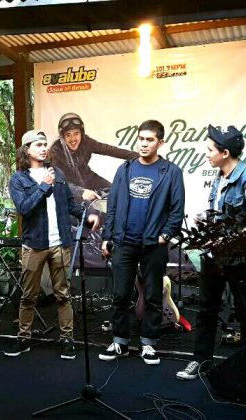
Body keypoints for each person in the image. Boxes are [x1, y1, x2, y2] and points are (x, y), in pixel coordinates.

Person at [176, 124, 246, 380]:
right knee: (206, 310)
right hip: (213, 257)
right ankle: (200, 361)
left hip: (239, 260)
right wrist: (205, 221)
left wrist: (230, 242)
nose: (206, 154)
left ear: (225, 153)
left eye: (210, 150)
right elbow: (222, 216)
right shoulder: (220, 176)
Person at [4, 129, 99, 360]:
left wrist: (86, 216)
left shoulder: (58, 173)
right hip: (34, 245)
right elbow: (24, 208)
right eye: (38, 144)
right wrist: (44, 186)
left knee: (63, 295)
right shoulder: (18, 179)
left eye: (45, 144)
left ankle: (67, 340)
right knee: (29, 296)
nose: (44, 148)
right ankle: (24, 339)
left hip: (60, 244)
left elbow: (69, 205)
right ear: (26, 150)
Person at [99, 120, 185, 365]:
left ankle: (148, 343)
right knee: (120, 295)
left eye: (150, 139)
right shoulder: (124, 169)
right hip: (124, 241)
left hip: (154, 244)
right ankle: (120, 342)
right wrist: (107, 236)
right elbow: (112, 206)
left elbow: (177, 209)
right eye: (141, 139)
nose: (144, 144)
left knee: (153, 296)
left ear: (160, 142)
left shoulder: (171, 172)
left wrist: (165, 235)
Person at [49, 112, 138, 202]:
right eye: (68, 135)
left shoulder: (86, 142)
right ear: (63, 137)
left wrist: (139, 156)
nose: (73, 139)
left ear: (81, 133)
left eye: (76, 133)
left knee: (115, 192)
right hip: (69, 186)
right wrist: (81, 192)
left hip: (89, 178)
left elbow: (110, 150)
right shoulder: (55, 151)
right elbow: (57, 180)